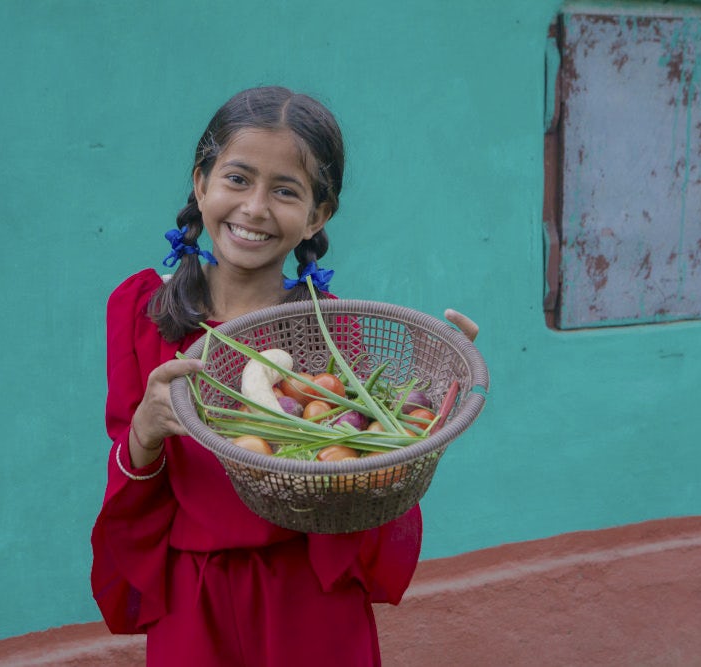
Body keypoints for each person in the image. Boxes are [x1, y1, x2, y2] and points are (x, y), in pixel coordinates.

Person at [90, 86, 478, 667]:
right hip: (195, 602)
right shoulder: (142, 314)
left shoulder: (333, 332)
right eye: (238, 179)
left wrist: (429, 406)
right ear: (201, 184)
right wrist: (145, 432)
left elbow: (361, 471)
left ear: (318, 214)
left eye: (286, 191)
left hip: (309, 596)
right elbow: (130, 467)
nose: (254, 208)